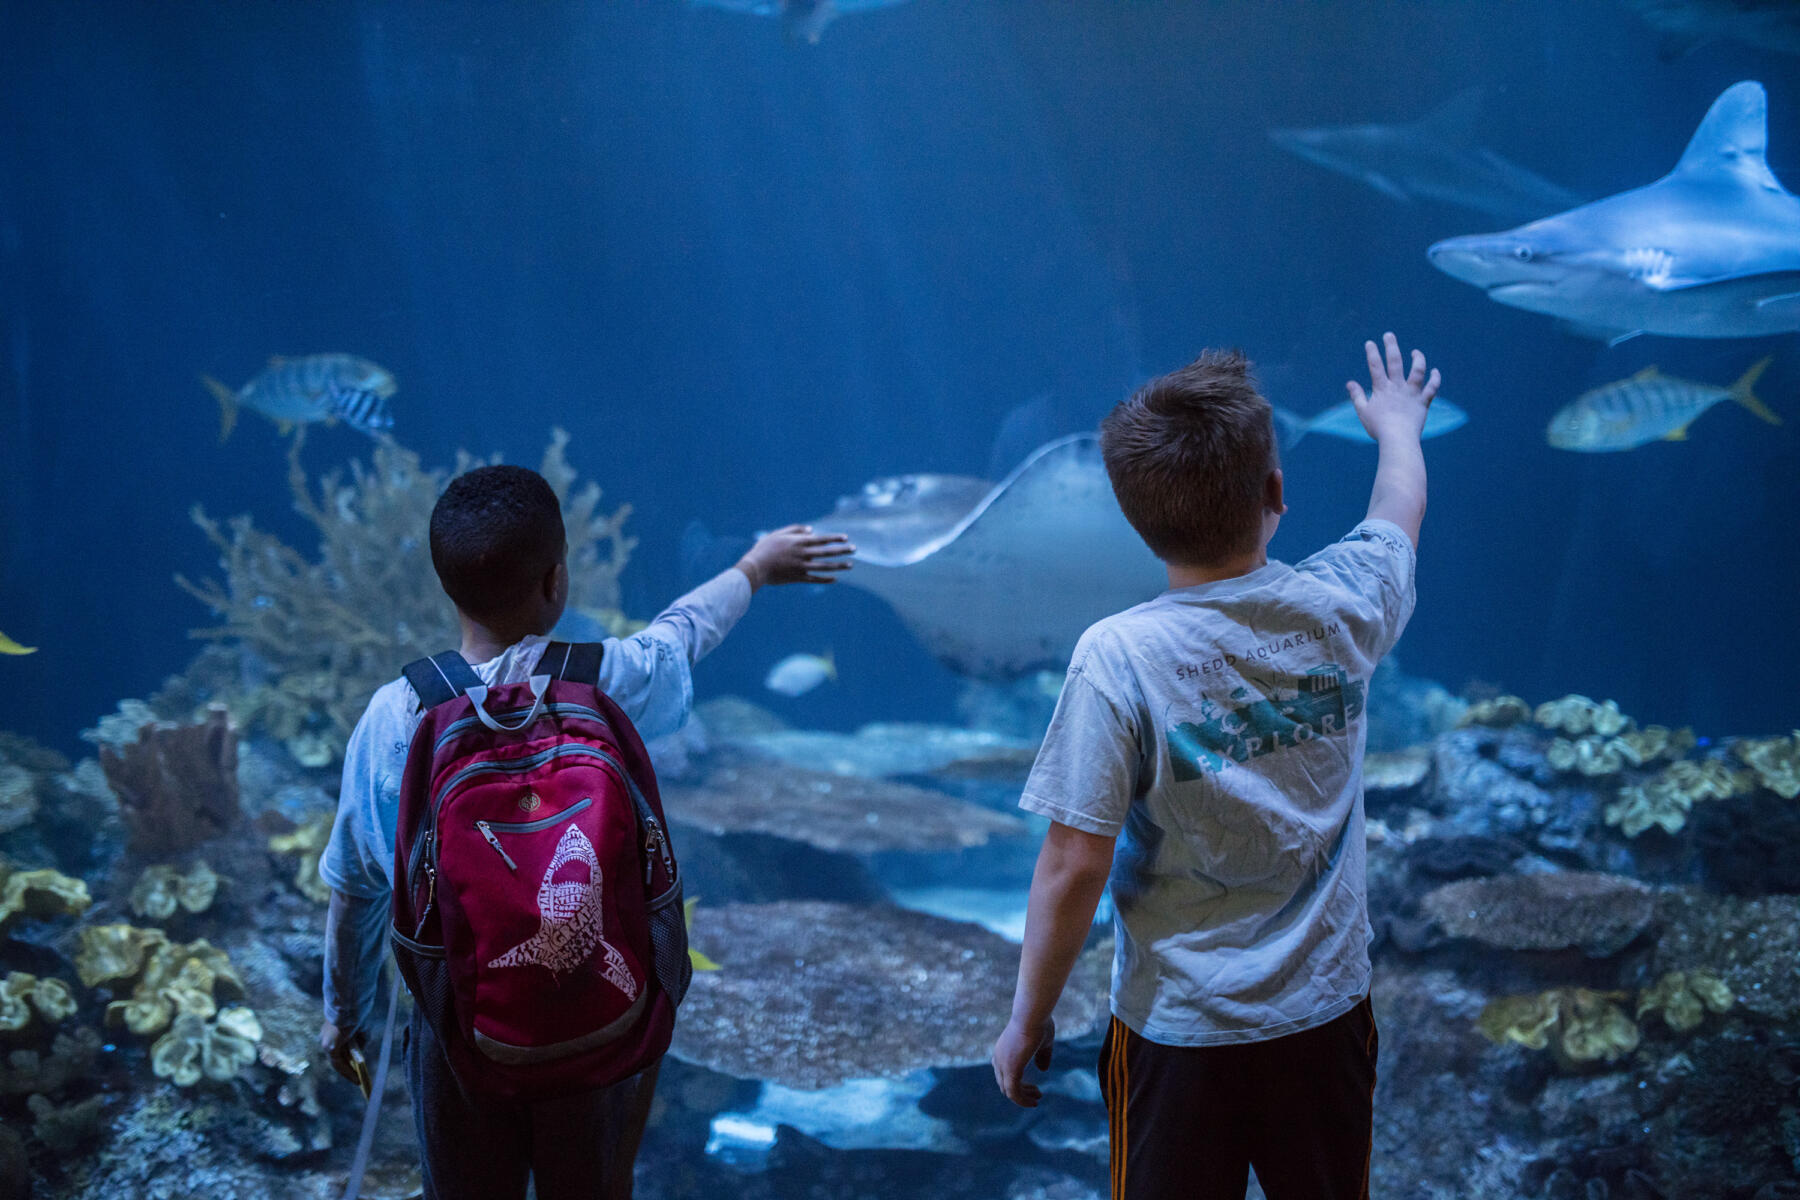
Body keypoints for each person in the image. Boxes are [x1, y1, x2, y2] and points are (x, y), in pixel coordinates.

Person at [318, 463, 852, 1200]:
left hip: (458, 1031)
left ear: (444, 585)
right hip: (597, 1023)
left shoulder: (395, 715)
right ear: (556, 582)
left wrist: (345, 1017)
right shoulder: (606, 679)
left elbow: (355, 890)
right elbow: (682, 634)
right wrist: (754, 569)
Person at [991, 333, 1439, 1200]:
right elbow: (1398, 512)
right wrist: (1397, 427)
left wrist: (1027, 1015)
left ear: (1134, 517)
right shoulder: (1345, 602)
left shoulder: (1117, 656)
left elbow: (1074, 861)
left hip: (1177, 1031)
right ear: (1276, 491)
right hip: (1325, 1017)